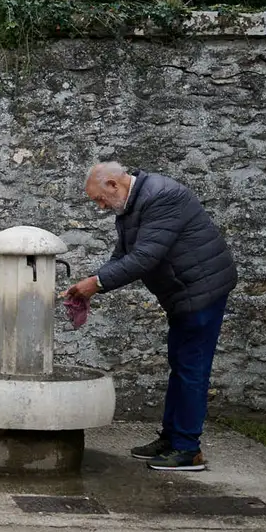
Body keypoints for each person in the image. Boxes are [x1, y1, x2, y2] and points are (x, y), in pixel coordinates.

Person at [64, 162, 237, 472]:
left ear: (114, 185)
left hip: (202, 291)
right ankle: (172, 439)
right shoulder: (132, 204)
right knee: (181, 364)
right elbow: (125, 253)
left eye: (99, 199)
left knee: (191, 368)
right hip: (184, 293)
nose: (100, 207)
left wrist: (98, 283)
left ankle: (187, 448)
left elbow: (145, 257)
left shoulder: (162, 197)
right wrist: (93, 280)